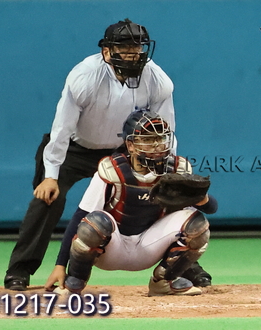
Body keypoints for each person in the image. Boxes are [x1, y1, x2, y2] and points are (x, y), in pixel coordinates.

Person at [4, 18, 212, 291]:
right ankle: (19, 271)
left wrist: (166, 170)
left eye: (137, 48)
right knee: (48, 199)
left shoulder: (157, 79)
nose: (133, 54)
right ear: (106, 52)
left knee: (165, 195)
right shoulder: (85, 77)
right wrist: (51, 175)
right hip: (75, 148)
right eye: (125, 48)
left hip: (125, 149)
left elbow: (165, 128)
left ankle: (183, 267)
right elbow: (62, 128)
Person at [44, 109, 218, 296]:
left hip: (150, 247)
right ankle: (74, 282)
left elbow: (211, 208)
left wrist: (201, 197)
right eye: (148, 140)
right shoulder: (112, 170)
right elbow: (80, 215)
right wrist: (60, 265)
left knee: (198, 225)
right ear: (130, 145)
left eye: (160, 139)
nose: (157, 145)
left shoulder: (176, 170)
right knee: (94, 222)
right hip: (111, 249)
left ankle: (164, 282)